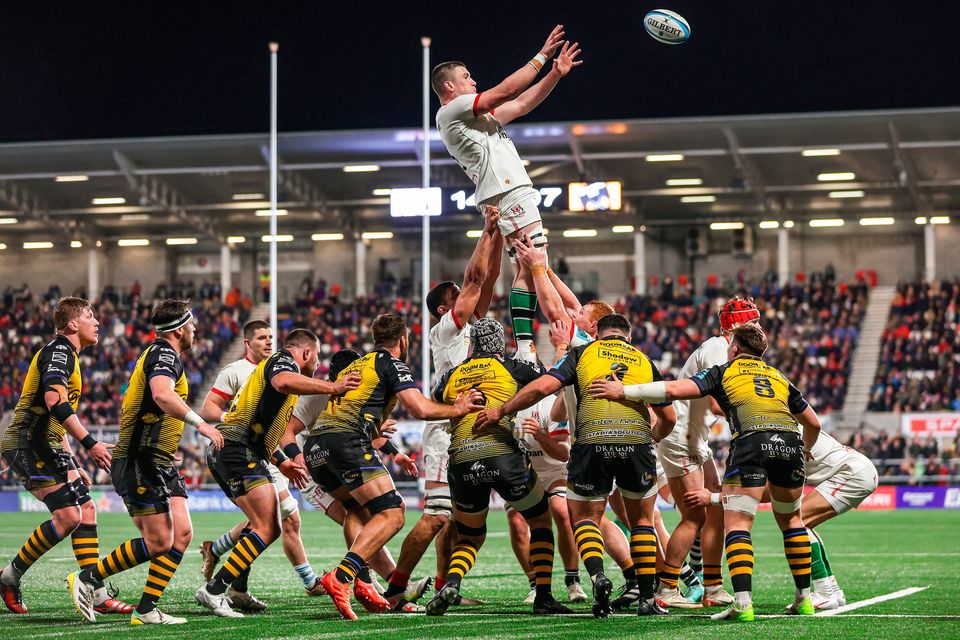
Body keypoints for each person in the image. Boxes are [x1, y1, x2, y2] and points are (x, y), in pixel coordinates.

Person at [590, 322, 821, 622]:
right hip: (789, 443)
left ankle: (742, 604)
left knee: (738, 525)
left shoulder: (724, 371)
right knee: (793, 522)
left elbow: (673, 389)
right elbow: (813, 423)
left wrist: (626, 391)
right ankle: (804, 600)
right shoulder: (779, 377)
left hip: (751, 441)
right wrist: (804, 449)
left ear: (735, 349)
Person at [279, 313, 483, 621]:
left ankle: (364, 583)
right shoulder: (391, 364)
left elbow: (342, 413)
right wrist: (459, 407)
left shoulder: (356, 365)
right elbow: (419, 408)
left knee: (358, 512)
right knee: (393, 512)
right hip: (344, 442)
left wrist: (383, 441)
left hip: (318, 448)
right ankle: (345, 576)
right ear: (403, 340)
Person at [475, 313, 677, 617]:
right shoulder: (644, 360)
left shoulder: (582, 353)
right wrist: (651, 437)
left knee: (584, 518)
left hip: (591, 443)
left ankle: (597, 576)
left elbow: (543, 387)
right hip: (636, 445)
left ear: (599, 336)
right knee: (643, 523)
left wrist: (500, 410)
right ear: (629, 337)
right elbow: (669, 418)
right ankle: (647, 599)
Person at [68, 299, 223, 625]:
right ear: (180, 329)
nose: (195, 330)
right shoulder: (164, 354)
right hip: (141, 461)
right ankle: (88, 577)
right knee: (159, 542)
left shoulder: (165, 356)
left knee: (181, 535)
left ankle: (146, 608)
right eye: (192, 324)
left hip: (161, 461)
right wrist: (202, 424)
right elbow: (162, 395)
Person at [432, 24, 581, 364]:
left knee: (530, 265)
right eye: (467, 77)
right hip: (508, 190)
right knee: (535, 262)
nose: (474, 81)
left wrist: (555, 74)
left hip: (507, 191)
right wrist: (543, 56)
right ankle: (535, 344)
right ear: (448, 86)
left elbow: (522, 103)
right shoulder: (451, 111)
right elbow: (504, 90)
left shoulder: (476, 119)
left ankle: (529, 346)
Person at [194, 329, 360, 617]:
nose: (318, 364)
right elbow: (283, 381)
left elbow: (264, 429)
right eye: (317, 357)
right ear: (306, 353)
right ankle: (216, 589)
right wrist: (333, 387)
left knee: (267, 526)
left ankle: (223, 585)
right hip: (237, 449)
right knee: (269, 525)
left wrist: (281, 461)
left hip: (242, 450)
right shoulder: (283, 362)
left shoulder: (284, 384)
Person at [384, 206, 501, 610]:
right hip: (446, 428)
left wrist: (499, 236)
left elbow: (487, 280)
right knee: (436, 516)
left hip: (467, 427)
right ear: (443, 308)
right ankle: (396, 589)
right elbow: (475, 278)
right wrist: (486, 228)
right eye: (455, 297)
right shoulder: (445, 329)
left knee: (455, 517)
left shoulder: (466, 326)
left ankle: (441, 586)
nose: (465, 295)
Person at [425, 318, 570, 616]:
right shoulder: (512, 367)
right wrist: (562, 348)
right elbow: (547, 382)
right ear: (499, 343)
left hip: (461, 459)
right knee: (540, 520)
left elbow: (435, 401)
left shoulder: (451, 375)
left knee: (471, 535)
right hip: (502, 454)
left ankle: (452, 582)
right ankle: (543, 595)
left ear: (472, 345)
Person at [0, 297, 132, 616]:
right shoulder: (59, 351)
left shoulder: (68, 355)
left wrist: (72, 463)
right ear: (72, 325)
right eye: (90, 316)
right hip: (27, 442)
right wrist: (91, 443)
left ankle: (94, 590)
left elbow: (58, 419)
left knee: (86, 508)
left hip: (47, 443)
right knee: (69, 516)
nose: (97, 322)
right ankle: (9, 577)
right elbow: (53, 401)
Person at [286, 349, 431, 612]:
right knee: (365, 518)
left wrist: (395, 454)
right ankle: (367, 582)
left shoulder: (347, 396)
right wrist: (294, 459)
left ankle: (382, 585)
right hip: (309, 470)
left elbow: (368, 437)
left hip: (324, 459)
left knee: (363, 516)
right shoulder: (320, 394)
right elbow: (288, 431)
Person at [686, 429, 878, 610]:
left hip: (852, 474)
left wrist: (713, 498)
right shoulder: (784, 426)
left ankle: (825, 591)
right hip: (857, 469)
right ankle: (831, 591)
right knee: (802, 522)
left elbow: (765, 492)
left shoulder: (775, 438)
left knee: (799, 523)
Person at [654, 298, 758, 609]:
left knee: (715, 508)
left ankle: (712, 586)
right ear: (739, 325)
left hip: (691, 437)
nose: (759, 328)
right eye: (754, 322)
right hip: (681, 436)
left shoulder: (723, 347)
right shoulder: (719, 349)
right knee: (696, 515)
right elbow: (716, 403)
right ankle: (667, 587)